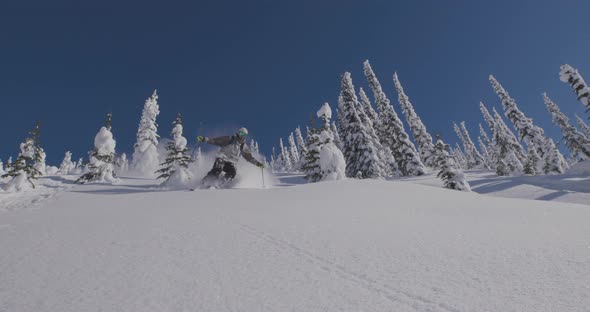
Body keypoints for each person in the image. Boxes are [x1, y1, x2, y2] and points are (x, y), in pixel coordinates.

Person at [197, 127, 264, 185]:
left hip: (231, 162)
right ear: (238, 132)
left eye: (243, 134)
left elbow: (248, 157)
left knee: (232, 172)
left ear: (245, 136)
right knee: (218, 169)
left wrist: (258, 164)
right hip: (222, 158)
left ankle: (220, 184)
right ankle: (204, 183)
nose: (241, 135)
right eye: (240, 133)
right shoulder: (230, 139)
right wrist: (204, 139)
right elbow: (215, 141)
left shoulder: (243, 146)